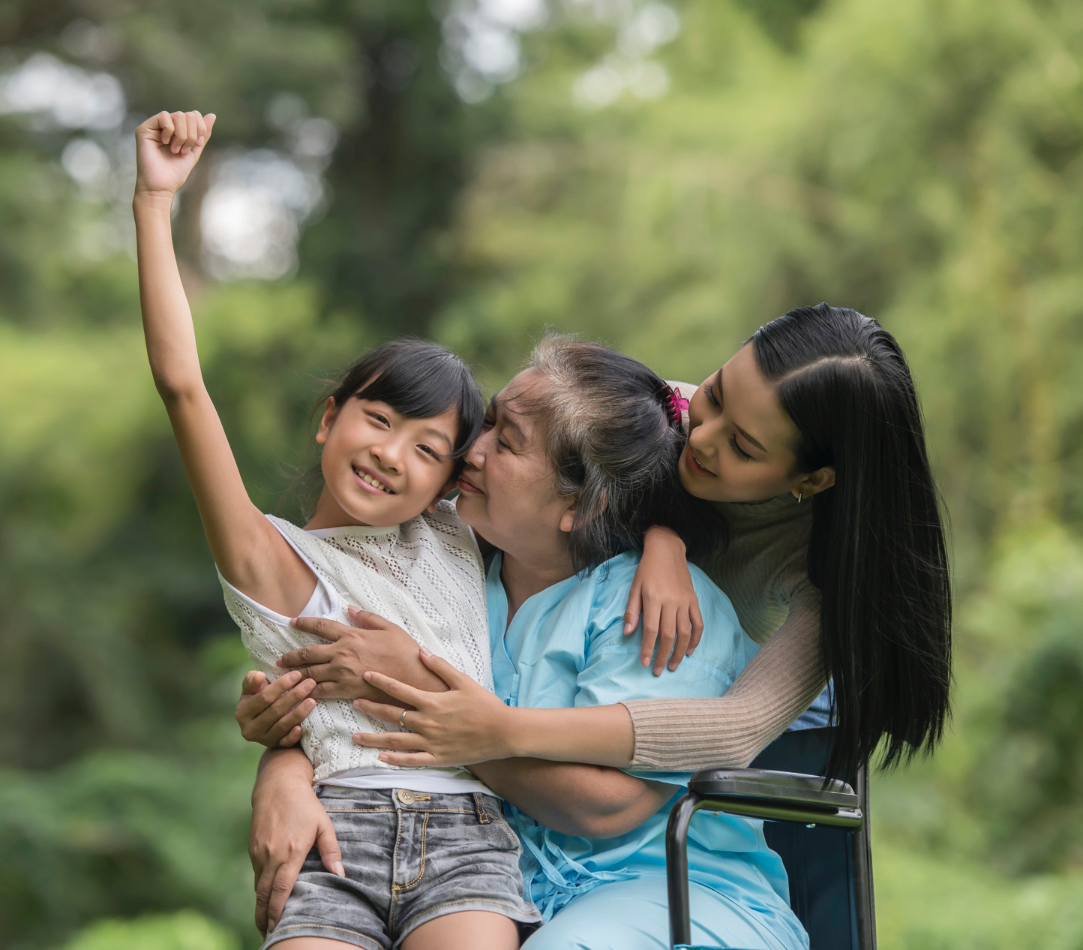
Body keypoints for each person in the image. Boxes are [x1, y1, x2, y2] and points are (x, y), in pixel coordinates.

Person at [249, 338, 808, 950]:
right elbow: (338, 706)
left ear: (582, 503)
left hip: (673, 892)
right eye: (487, 421)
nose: (472, 449)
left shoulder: (661, 608)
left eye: (506, 441)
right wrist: (283, 769)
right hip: (495, 884)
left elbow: (608, 807)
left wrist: (421, 698)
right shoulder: (451, 572)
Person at [132, 109, 539, 950]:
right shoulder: (272, 558)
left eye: (426, 448)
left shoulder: (460, 535)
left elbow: (637, 426)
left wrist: (664, 544)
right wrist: (153, 199)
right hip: (331, 835)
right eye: (379, 419)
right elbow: (181, 385)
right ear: (330, 417)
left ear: (450, 479)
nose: (390, 453)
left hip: (466, 835)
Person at [250, 305, 953, 788]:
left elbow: (736, 730)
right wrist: (285, 762)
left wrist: (502, 729)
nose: (699, 438)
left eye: (741, 446)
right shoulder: (669, 421)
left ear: (813, 479)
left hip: (684, 733)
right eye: (712, 395)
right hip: (541, 693)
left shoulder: (822, 573)